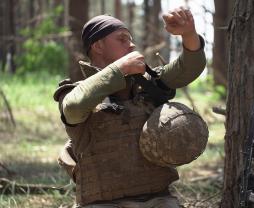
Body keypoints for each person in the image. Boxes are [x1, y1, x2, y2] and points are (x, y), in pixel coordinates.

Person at [53, 6, 206, 208]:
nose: (132, 45)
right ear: (98, 46)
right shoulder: (77, 92)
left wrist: (189, 35)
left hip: (157, 199)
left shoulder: (148, 84)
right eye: (122, 39)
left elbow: (187, 70)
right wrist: (118, 69)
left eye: (131, 39)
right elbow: (73, 107)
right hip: (102, 203)